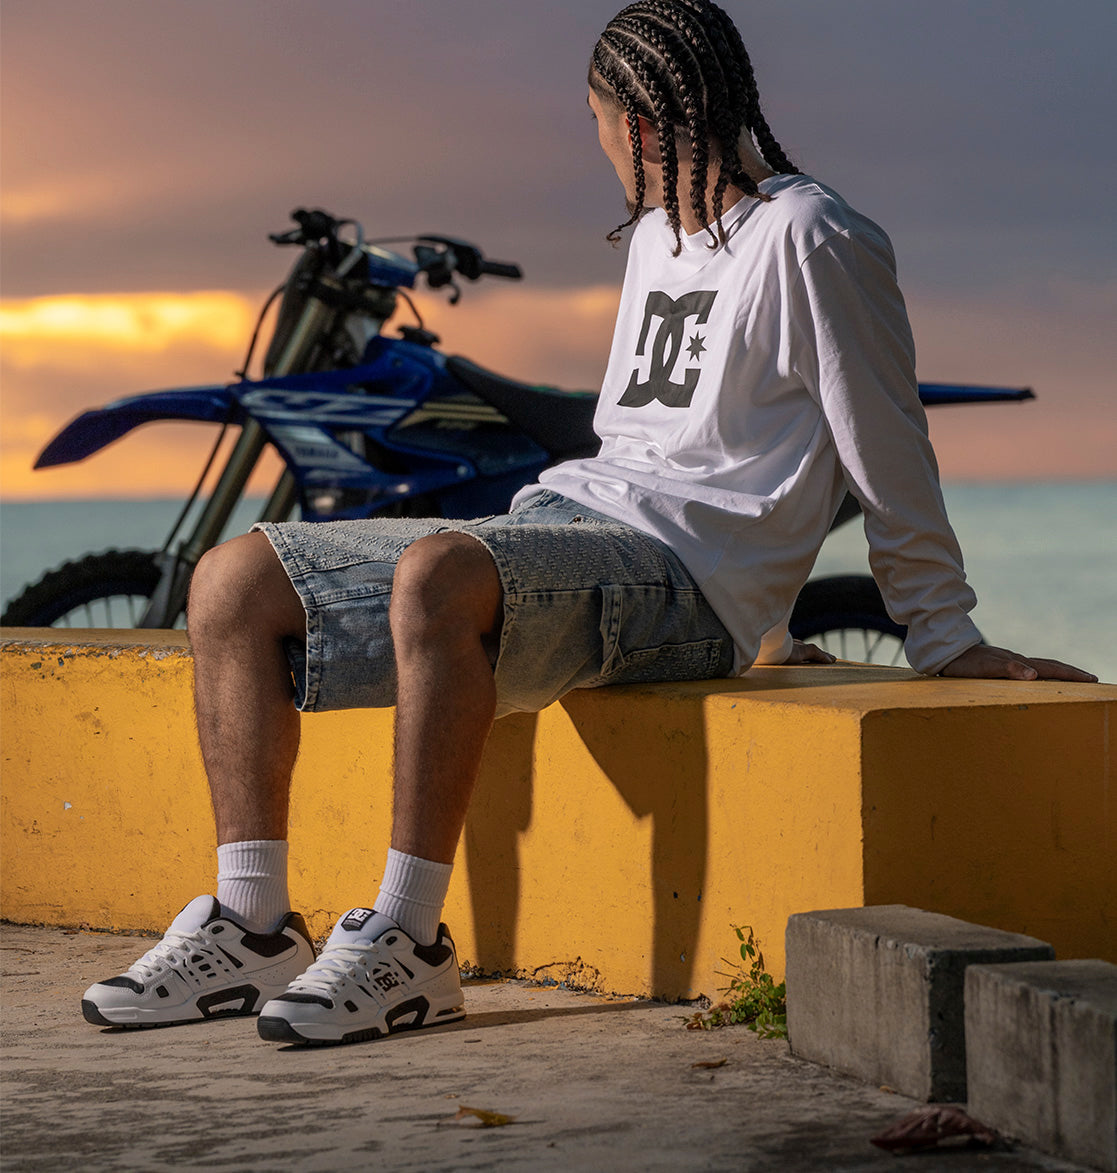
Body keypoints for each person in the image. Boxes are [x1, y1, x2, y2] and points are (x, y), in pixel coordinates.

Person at [81, 0, 1096, 1045]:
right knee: (232, 581)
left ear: (641, 128)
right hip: (577, 524)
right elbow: (643, 449)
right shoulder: (658, 233)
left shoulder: (813, 237)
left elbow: (884, 443)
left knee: (438, 574)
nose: (602, 145)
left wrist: (942, 634)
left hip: (684, 580)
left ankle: (406, 945)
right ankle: (250, 924)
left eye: (598, 122)